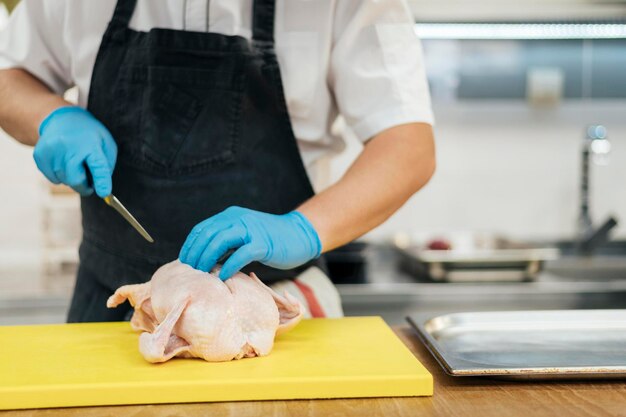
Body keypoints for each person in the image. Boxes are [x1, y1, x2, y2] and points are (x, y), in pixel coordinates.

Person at [0, 0, 435, 322]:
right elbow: (9, 74)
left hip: (277, 311)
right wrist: (50, 118)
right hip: (112, 305)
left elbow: (408, 143)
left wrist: (302, 229)